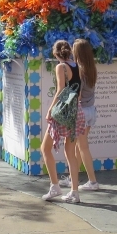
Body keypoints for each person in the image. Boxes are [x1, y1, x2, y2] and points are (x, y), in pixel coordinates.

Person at [40, 40, 82, 204]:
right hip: (75, 111)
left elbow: (61, 89)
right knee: (70, 153)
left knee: (45, 148)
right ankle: (74, 192)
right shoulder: (77, 66)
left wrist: (51, 109)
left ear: (56, 53)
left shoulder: (61, 67)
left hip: (63, 111)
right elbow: (77, 91)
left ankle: (55, 186)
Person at [61, 38, 99, 192]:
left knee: (82, 147)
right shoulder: (91, 68)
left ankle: (93, 181)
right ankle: (72, 178)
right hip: (90, 111)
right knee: (79, 147)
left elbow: (77, 95)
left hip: (81, 112)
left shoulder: (79, 70)